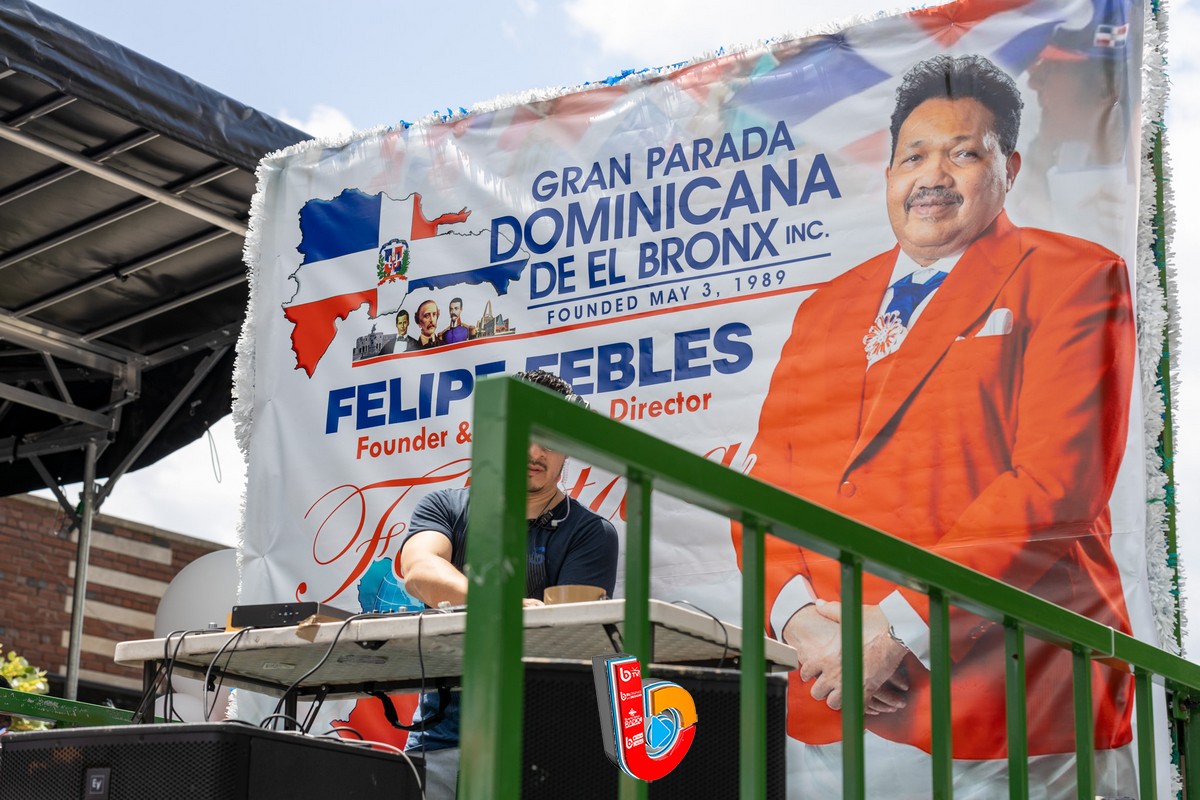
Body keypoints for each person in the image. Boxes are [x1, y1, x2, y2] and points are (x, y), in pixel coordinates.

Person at [733, 54, 1136, 797]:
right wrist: (801, 626)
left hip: (1012, 704)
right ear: (888, 174)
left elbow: (1054, 487)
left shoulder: (1076, 276)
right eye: (913, 156)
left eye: (963, 153)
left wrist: (898, 627)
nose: (933, 176)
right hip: (828, 699)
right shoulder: (824, 309)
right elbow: (766, 485)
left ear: (1010, 168)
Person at [399, 369, 619, 799]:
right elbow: (420, 571)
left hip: (540, 744)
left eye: (550, 439)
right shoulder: (446, 505)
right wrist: (505, 605)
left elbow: (568, 641)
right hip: (442, 738)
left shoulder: (592, 533)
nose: (535, 452)